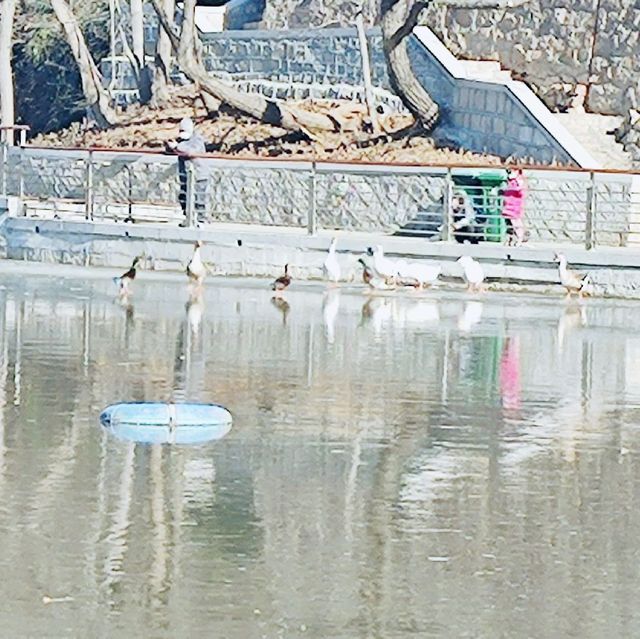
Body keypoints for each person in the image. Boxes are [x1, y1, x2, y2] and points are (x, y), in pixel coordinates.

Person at [166, 117, 208, 226]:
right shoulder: (181, 140)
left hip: (199, 175)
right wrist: (170, 147)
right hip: (186, 175)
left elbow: (191, 152)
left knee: (199, 198)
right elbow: (176, 150)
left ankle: (201, 220)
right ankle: (188, 217)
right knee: (184, 197)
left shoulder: (197, 140)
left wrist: (177, 146)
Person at [501, 168, 527, 246]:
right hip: (508, 205)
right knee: (510, 223)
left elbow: (522, 192)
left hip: (514, 206)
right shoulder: (509, 181)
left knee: (516, 222)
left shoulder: (519, 180)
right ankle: (511, 239)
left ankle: (520, 238)